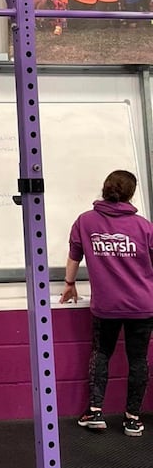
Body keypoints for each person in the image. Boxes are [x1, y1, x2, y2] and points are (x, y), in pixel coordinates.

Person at [60, 169, 153, 437]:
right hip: (142, 306)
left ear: (104, 189)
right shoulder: (144, 227)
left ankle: (95, 412)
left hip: (107, 306)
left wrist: (69, 284)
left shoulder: (85, 221)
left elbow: (74, 256)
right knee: (138, 359)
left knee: (101, 354)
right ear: (131, 194)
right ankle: (132, 420)